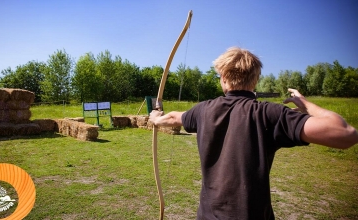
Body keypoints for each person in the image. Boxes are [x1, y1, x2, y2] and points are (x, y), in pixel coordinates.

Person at [149, 47, 358, 220]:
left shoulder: (204, 110)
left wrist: (156, 118)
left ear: (223, 78)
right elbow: (345, 133)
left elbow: (174, 117)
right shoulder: (270, 113)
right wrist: (305, 104)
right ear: (255, 79)